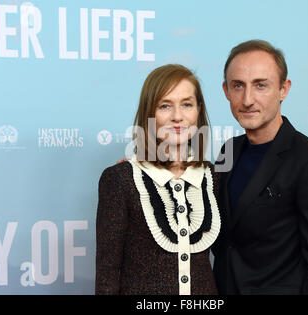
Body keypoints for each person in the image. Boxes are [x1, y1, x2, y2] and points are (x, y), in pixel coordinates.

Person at [212, 40, 308, 295]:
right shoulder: (229, 150)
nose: (247, 99)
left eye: (260, 85)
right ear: (226, 91)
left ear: (284, 89)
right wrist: (142, 172)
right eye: (238, 85)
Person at [95, 64, 221, 295]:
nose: (177, 117)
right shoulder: (121, 179)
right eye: (165, 106)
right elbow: (107, 274)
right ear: (149, 113)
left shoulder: (214, 176)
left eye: (187, 104)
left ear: (198, 111)